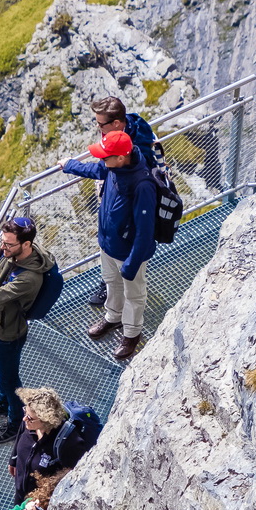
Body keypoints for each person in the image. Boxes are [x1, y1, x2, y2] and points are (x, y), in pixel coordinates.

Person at [62, 126, 159, 361]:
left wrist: (131, 264)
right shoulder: (113, 167)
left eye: (105, 156)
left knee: (134, 294)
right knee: (111, 283)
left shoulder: (142, 185)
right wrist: (69, 165)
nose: (101, 159)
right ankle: (113, 317)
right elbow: (94, 169)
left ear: (121, 156)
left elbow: (145, 233)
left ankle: (132, 334)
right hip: (108, 244)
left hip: (128, 253)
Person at [0, 215, 55, 445]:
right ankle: (5, 403)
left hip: (7, 334)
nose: (3, 247)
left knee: (9, 381)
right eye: (2, 241)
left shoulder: (29, 277)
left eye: (8, 244)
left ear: (26, 244)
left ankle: (16, 422)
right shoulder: (14, 250)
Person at [86, 97, 161, 308]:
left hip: (130, 197)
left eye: (101, 124)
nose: (98, 127)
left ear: (117, 124)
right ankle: (112, 289)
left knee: (126, 237)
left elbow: (127, 171)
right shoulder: (117, 129)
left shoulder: (137, 145)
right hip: (116, 187)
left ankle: (120, 287)